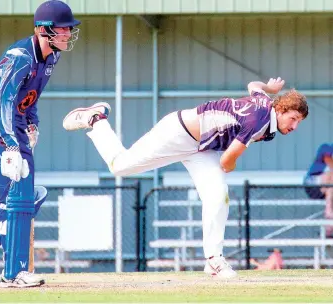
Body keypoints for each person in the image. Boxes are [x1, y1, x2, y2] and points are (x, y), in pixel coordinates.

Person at [63, 77, 309, 279]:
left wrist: (269, 88)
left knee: (218, 196)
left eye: (299, 121)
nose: (295, 125)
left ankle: (214, 260)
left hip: (203, 148)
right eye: (293, 118)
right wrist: (231, 164)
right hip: (178, 133)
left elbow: (253, 86)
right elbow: (227, 161)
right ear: (281, 109)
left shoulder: (265, 102)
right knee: (120, 167)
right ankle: (96, 119)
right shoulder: (261, 119)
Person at [0, 0, 80, 287]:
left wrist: (32, 121)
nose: (67, 34)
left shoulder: (51, 57)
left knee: (29, 196)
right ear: (42, 30)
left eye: (69, 30)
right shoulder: (21, 56)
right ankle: (14, 274)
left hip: (16, 119)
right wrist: (10, 144)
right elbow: (4, 101)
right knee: (19, 193)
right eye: (63, 29)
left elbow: (31, 95)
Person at [304, 143, 333, 237]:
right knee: (331, 175)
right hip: (312, 184)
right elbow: (329, 161)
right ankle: (328, 211)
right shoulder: (326, 148)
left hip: (327, 190)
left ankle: (328, 230)